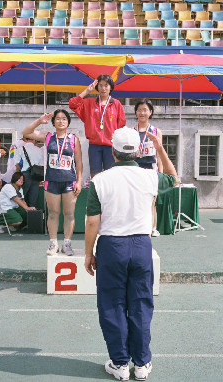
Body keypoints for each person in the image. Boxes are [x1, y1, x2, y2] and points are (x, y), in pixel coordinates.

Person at [85, 127, 178, 381]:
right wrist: (159, 148)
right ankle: (142, 363)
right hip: (141, 245)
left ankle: (120, 363)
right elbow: (174, 177)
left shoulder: (99, 180)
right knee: (140, 304)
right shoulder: (150, 176)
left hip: (111, 246)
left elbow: (92, 221)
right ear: (137, 151)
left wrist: (88, 253)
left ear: (112, 152)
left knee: (112, 304)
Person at [23, 109, 83, 256]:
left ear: (68, 122)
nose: (61, 121)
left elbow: (79, 162)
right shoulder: (48, 136)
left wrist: (79, 182)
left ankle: (67, 244)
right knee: (53, 213)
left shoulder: (74, 139)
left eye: (64, 119)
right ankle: (53, 243)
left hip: (69, 181)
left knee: (69, 213)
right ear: (53, 121)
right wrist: (39, 120)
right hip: (52, 181)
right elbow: (26, 132)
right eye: (57, 118)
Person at [69, 74, 126, 178]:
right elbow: (72, 104)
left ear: (111, 87)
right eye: (100, 85)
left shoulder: (116, 104)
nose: (103, 88)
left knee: (111, 175)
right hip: (94, 145)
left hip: (111, 146)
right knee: (95, 175)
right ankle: (96, 194)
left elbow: (121, 125)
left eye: (106, 85)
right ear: (97, 87)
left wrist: (117, 140)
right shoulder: (89, 103)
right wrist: (87, 91)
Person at [134, 99, 163, 237]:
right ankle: (136, 226)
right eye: (139, 110)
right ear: (135, 112)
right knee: (135, 200)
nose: (142, 113)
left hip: (151, 169)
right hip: (135, 169)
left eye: (145, 110)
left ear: (150, 112)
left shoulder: (156, 131)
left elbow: (159, 154)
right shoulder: (131, 131)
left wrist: (161, 173)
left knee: (152, 201)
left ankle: (152, 227)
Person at [14, 137, 42, 208]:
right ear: (34, 139)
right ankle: (32, 216)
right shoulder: (39, 150)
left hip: (25, 175)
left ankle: (22, 217)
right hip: (36, 175)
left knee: (22, 197)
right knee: (33, 199)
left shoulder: (21, 149)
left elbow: (17, 165)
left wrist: (17, 176)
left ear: (25, 140)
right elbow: (41, 164)